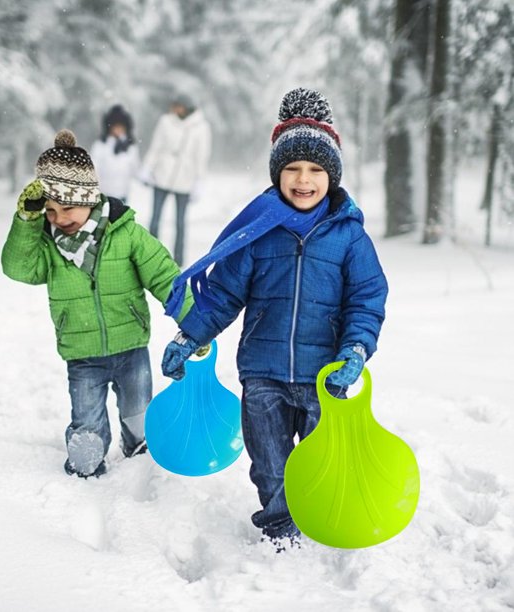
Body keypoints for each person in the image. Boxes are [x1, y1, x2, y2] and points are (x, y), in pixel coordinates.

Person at [160, 89, 388, 548]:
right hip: (262, 373)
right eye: (292, 170)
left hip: (324, 375)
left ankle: (322, 510)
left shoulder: (349, 236)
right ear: (277, 173)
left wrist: (356, 349)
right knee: (268, 460)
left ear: (332, 176)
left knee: (324, 456)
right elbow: (223, 292)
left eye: (316, 171)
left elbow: (366, 299)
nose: (304, 181)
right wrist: (191, 335)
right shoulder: (259, 229)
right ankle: (283, 525)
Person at [1, 129, 192, 478]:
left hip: (131, 347)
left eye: (68, 208)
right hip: (82, 352)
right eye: (50, 211)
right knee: (86, 418)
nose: (59, 219)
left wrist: (195, 320)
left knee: (138, 413)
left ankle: (140, 455)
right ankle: (87, 456)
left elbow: (165, 276)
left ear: (89, 198)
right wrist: (27, 222)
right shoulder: (47, 245)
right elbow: (18, 268)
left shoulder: (126, 233)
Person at [140, 93, 212, 265]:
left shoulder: (201, 127)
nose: (174, 109)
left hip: (185, 180)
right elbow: (156, 146)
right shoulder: (165, 121)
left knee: (180, 222)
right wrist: (147, 167)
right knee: (155, 218)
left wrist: (199, 182)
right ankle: (150, 256)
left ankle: (179, 260)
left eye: (178, 106)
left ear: (186, 107)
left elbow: (202, 156)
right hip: (162, 175)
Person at [90, 104, 139, 203]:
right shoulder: (101, 145)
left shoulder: (130, 147)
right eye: (115, 127)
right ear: (109, 127)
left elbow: (135, 168)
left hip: (122, 193)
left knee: (121, 218)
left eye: (121, 127)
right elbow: (94, 167)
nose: (118, 130)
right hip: (104, 193)